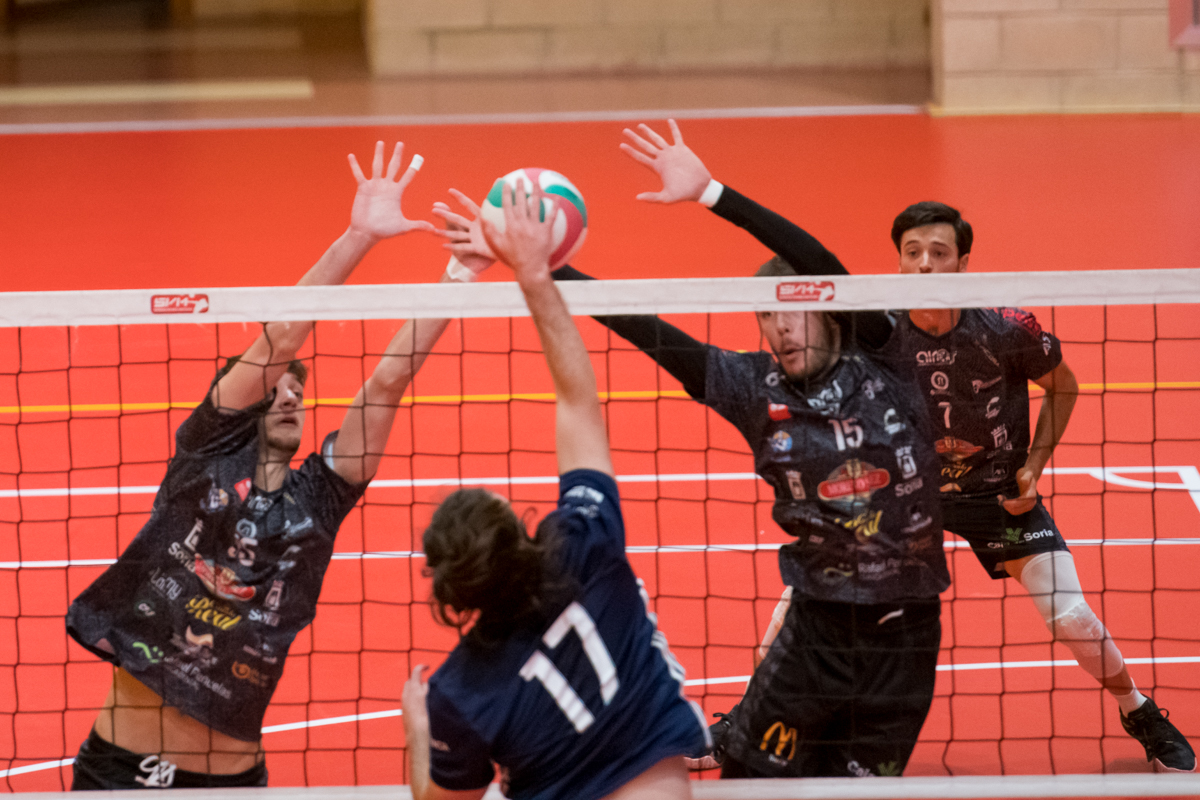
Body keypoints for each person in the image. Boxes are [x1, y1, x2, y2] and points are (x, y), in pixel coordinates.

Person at [619, 122, 1195, 775]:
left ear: (962, 264)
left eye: (938, 253)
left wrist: (1033, 468)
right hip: (895, 506)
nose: (924, 264)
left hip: (995, 500)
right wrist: (713, 193)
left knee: (1072, 615)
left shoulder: (1006, 329)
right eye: (912, 252)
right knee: (789, 621)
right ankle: (748, 725)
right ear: (898, 262)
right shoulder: (881, 333)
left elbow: (1064, 385)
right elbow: (814, 260)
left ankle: (1138, 710)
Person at [442, 129, 952, 780]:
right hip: (818, 632)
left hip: (906, 637)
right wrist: (537, 268)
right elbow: (645, 328)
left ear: (829, 311)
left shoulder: (885, 359)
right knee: (751, 781)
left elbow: (816, 258)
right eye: (765, 317)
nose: (779, 329)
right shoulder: (752, 388)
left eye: (791, 312)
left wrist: (712, 193)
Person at [64, 142, 494, 789]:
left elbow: (388, 381)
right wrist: (358, 237)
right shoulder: (206, 451)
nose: (291, 396)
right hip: (114, 771)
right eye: (277, 388)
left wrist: (461, 272)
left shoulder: (321, 497)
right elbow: (281, 337)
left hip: (230, 784)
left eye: (300, 391)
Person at [400, 182, 708, 800]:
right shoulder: (585, 546)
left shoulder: (459, 693)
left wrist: (418, 728)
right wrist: (535, 275)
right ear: (516, 532)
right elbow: (578, 402)